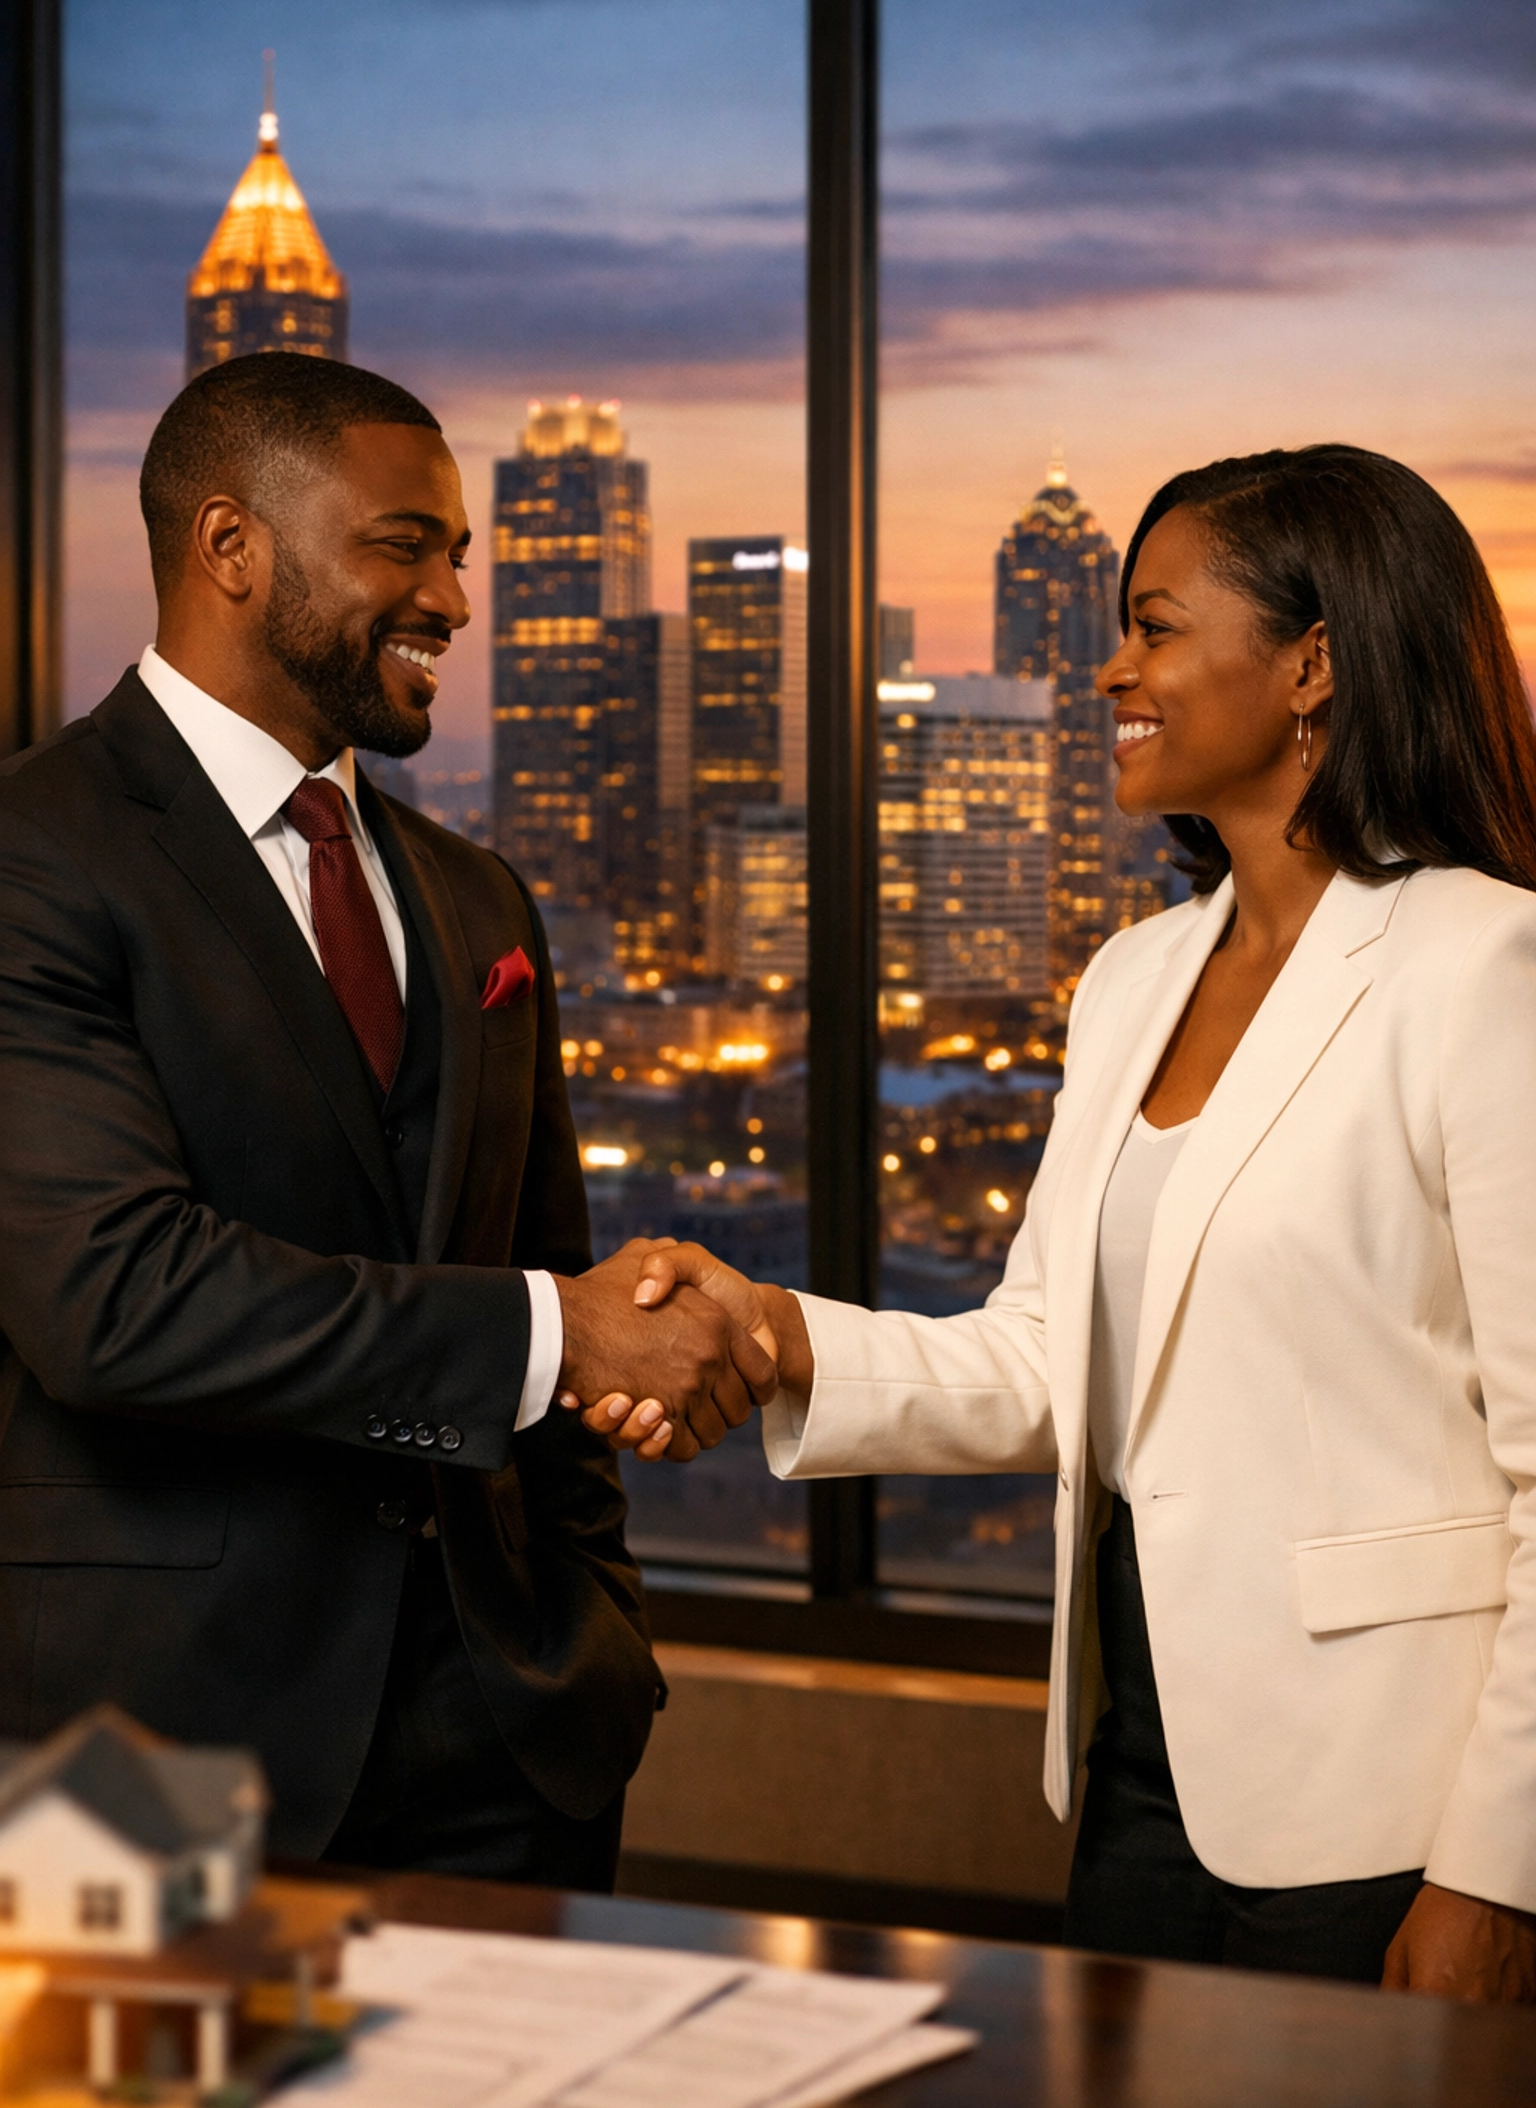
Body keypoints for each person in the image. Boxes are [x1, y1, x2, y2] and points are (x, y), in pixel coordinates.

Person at [587, 446, 1536, 1998]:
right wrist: (762, 1332)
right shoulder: (1132, 980)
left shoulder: (1483, 967)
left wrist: (1500, 1870)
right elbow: (1041, 1360)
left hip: (1395, 1805)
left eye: (1155, 628)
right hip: (1137, 1776)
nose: (1112, 673)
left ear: (1313, 664)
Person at [0, 352, 773, 1888]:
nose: (456, 601)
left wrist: (589, 1626)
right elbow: (114, 1301)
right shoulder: (35, 856)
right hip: (145, 1755)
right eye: (404, 546)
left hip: (510, 1738)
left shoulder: (477, 895)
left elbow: (543, 1253)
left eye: (462, 554)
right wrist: (556, 1338)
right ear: (233, 549)